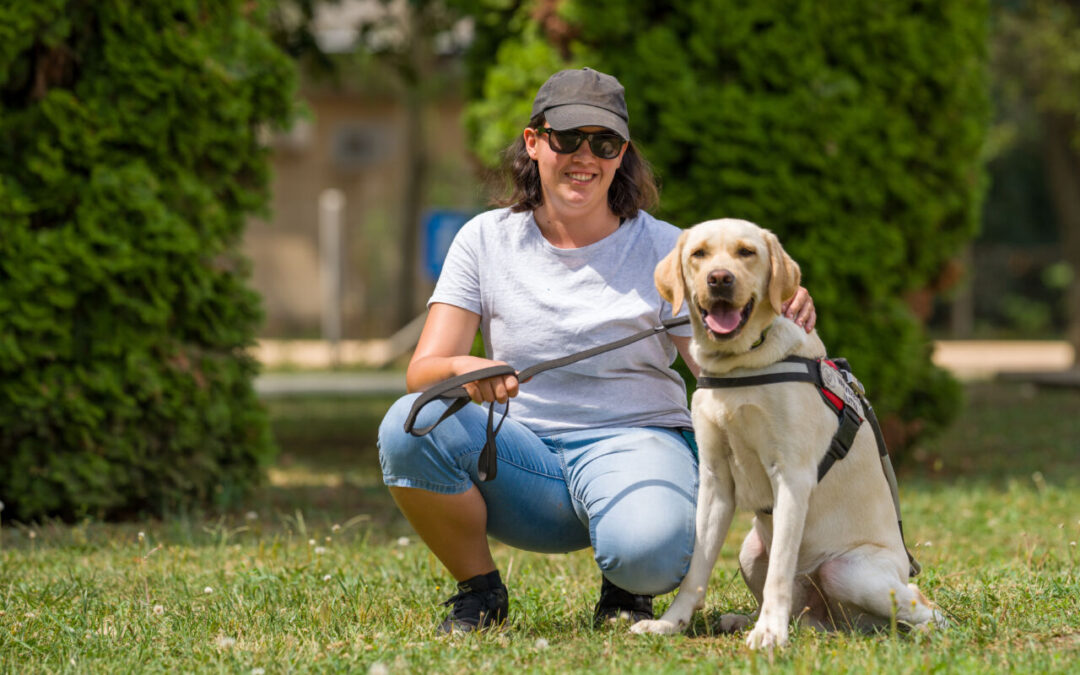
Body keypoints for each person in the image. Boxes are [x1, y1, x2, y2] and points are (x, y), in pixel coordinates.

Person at [377, 67, 816, 634]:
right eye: (567, 138)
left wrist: (777, 306)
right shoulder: (484, 239)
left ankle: (627, 584)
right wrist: (466, 367)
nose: (585, 155)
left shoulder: (673, 249)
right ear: (534, 143)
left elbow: (715, 363)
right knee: (407, 426)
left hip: (638, 444)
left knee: (650, 552)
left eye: (603, 142)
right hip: (521, 457)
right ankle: (479, 593)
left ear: (621, 154)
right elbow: (424, 370)